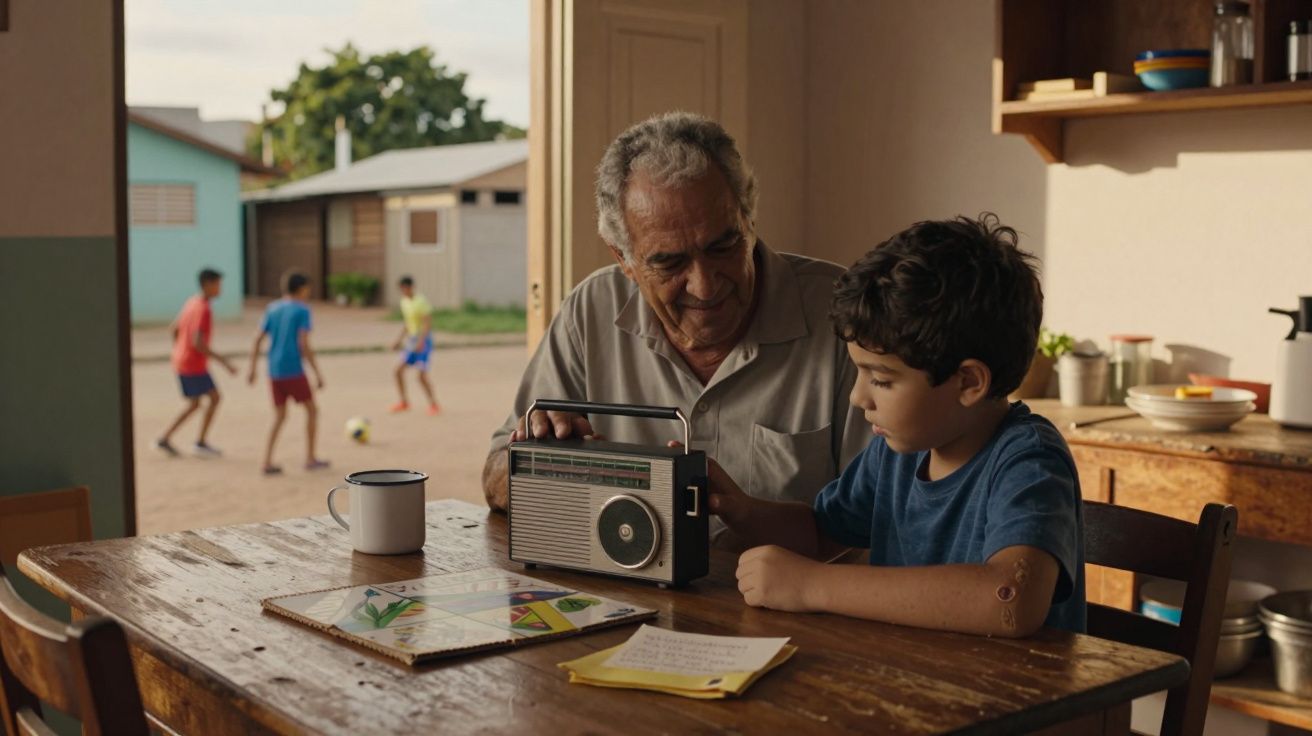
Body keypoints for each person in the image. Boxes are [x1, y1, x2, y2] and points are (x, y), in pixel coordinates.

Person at [481, 111, 868, 536]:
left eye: (723, 247)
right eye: (669, 262)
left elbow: (888, 519)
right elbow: (497, 474)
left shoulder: (844, 315)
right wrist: (553, 464)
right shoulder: (591, 309)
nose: (704, 287)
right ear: (623, 259)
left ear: (749, 219)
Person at [709, 214, 1086, 637]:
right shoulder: (896, 452)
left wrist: (813, 586)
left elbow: (1011, 600)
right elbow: (819, 534)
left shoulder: (1028, 460)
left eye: (881, 380)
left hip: (1017, 698)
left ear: (968, 382)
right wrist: (739, 508)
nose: (858, 397)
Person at [247, 271, 327, 475]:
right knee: (311, 410)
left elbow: (257, 339)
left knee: (280, 416)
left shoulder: (272, 308)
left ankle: (266, 460)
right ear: (301, 289)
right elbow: (303, 343)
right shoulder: (302, 310)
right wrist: (317, 373)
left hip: (274, 371)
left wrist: (252, 368)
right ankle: (310, 458)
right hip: (293, 369)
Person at [157, 268, 237, 456]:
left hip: (184, 361)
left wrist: (178, 350)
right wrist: (224, 362)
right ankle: (199, 442)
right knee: (213, 398)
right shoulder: (204, 309)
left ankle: (166, 438)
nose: (220, 289)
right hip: (193, 364)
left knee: (197, 403)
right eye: (218, 285)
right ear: (207, 285)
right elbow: (198, 342)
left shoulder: (192, 302)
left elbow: (174, 329)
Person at [389, 275, 440, 415]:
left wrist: (421, 342)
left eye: (404, 288)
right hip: (412, 341)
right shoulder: (404, 302)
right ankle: (404, 401)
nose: (403, 291)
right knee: (398, 371)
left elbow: (426, 324)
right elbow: (408, 323)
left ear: (410, 287)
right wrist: (398, 340)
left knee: (421, 376)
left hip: (423, 341)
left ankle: (434, 404)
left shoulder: (421, 302)